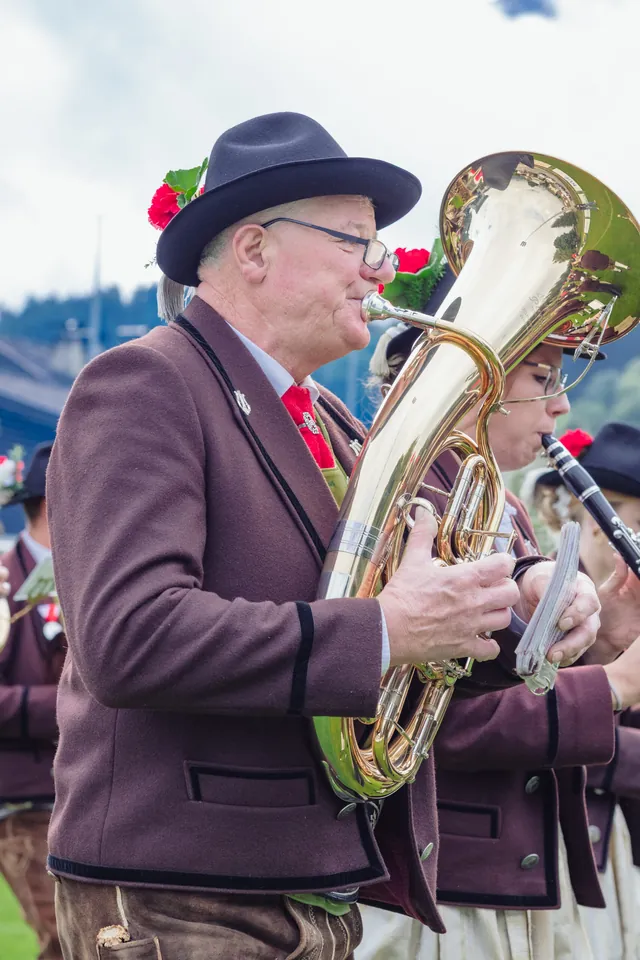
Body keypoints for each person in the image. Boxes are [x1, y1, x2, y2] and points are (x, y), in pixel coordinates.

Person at [45, 113, 598, 960]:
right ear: (256, 251)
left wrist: (517, 605)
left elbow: (413, 611)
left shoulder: (334, 418)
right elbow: (131, 638)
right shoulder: (143, 381)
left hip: (314, 883)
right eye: (355, 241)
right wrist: (387, 631)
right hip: (185, 891)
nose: (381, 267)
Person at [357, 276, 640, 960]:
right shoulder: (408, 497)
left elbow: (516, 678)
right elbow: (437, 720)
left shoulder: (495, 504)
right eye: (542, 375)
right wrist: (617, 685)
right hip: (444, 891)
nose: (563, 405)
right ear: (466, 371)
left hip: (511, 875)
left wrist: (604, 638)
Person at [528, 423, 640, 960]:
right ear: (600, 521)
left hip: (619, 849)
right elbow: (530, 722)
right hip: (556, 846)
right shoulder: (543, 598)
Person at [0, 441, 63, 960]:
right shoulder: (2, 579)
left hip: (96, 799)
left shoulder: (96, 578)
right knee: (64, 940)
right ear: (50, 503)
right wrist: (73, 706)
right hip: (25, 805)